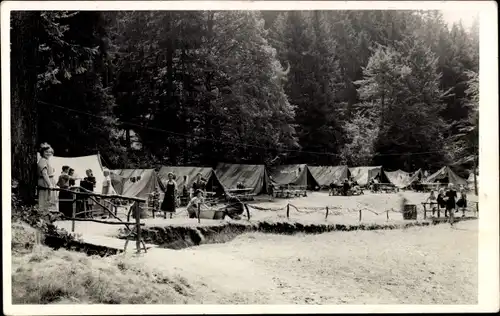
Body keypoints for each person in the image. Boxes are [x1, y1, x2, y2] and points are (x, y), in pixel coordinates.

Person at [37, 143, 57, 216]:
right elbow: (44, 174)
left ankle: (47, 217)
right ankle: (43, 216)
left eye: (50, 152)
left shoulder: (47, 160)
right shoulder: (43, 161)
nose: (48, 153)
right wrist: (50, 184)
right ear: (42, 152)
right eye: (46, 152)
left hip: (49, 181)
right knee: (45, 200)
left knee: (49, 201)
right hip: (45, 182)